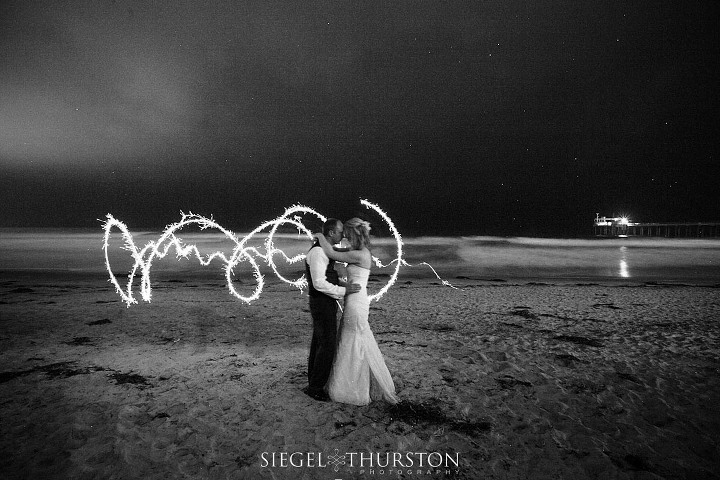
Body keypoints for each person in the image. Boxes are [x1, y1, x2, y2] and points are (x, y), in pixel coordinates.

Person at [313, 218, 398, 405]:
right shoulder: (358, 252)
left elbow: (330, 252)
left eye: (347, 234)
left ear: (354, 235)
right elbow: (336, 252)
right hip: (353, 298)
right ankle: (357, 381)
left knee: (353, 339)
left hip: (356, 302)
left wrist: (319, 235)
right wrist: (342, 284)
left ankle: (353, 387)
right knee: (352, 338)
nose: (344, 236)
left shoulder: (360, 255)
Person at [304, 218, 360, 401]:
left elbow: (327, 277)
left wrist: (341, 284)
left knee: (319, 343)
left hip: (322, 302)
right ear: (331, 233)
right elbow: (319, 283)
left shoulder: (323, 250)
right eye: (340, 231)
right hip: (321, 303)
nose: (342, 234)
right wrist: (344, 290)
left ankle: (313, 382)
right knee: (327, 345)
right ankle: (315, 387)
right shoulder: (319, 252)